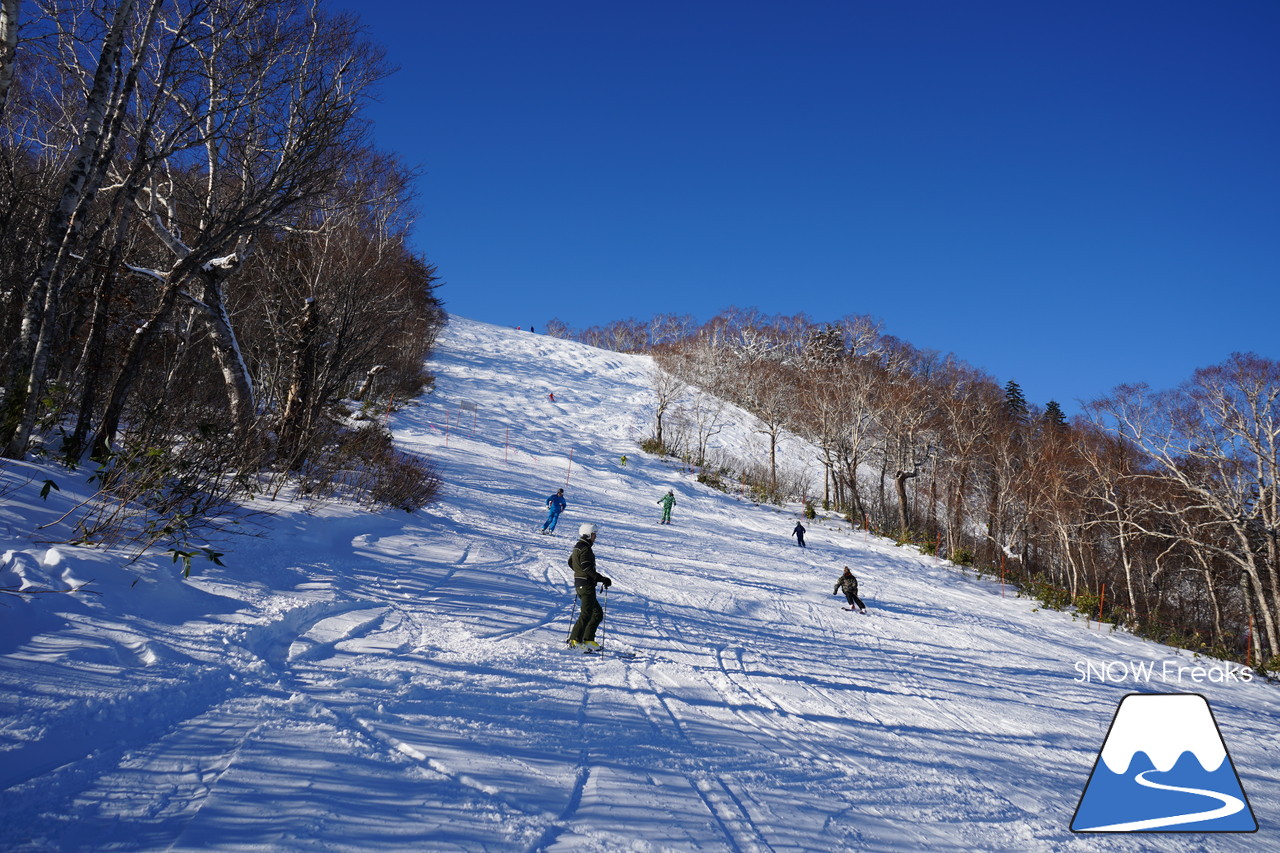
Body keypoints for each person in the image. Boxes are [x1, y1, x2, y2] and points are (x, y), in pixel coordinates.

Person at [567, 523, 612, 650]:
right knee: (587, 614)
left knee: (597, 613)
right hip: (586, 585)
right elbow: (587, 568)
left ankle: (588, 640)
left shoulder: (579, 546)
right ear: (588, 534)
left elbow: (571, 562)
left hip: (583, 584)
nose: (595, 537)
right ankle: (575, 640)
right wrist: (601, 578)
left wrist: (578, 573)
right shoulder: (585, 548)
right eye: (594, 534)